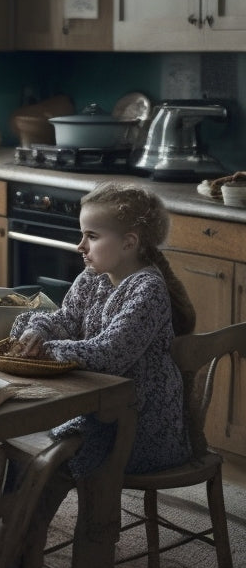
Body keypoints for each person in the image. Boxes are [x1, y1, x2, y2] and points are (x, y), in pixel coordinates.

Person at [10, 180, 195, 478]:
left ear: (129, 243)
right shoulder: (92, 276)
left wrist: (49, 349)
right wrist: (40, 330)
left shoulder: (148, 289)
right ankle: (15, 517)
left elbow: (112, 353)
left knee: (55, 456)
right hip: (99, 403)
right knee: (32, 441)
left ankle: (79, 522)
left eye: (91, 236)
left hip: (141, 423)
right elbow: (66, 318)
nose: (80, 246)